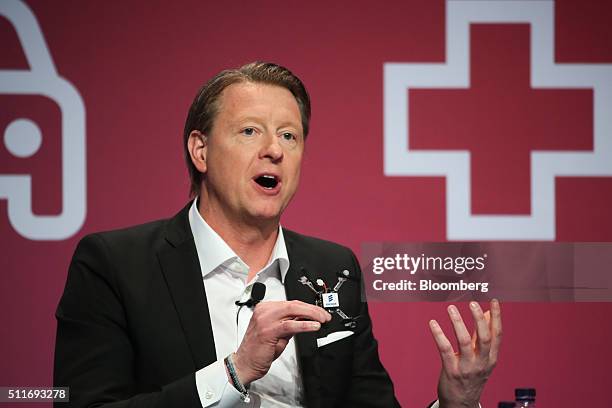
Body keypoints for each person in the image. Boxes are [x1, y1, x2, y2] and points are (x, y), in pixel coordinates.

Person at [54, 62, 501, 408]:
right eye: (250, 131)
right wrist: (235, 372)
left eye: (290, 135)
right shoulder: (115, 264)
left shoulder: (332, 269)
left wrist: (456, 401)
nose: (274, 149)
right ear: (200, 150)